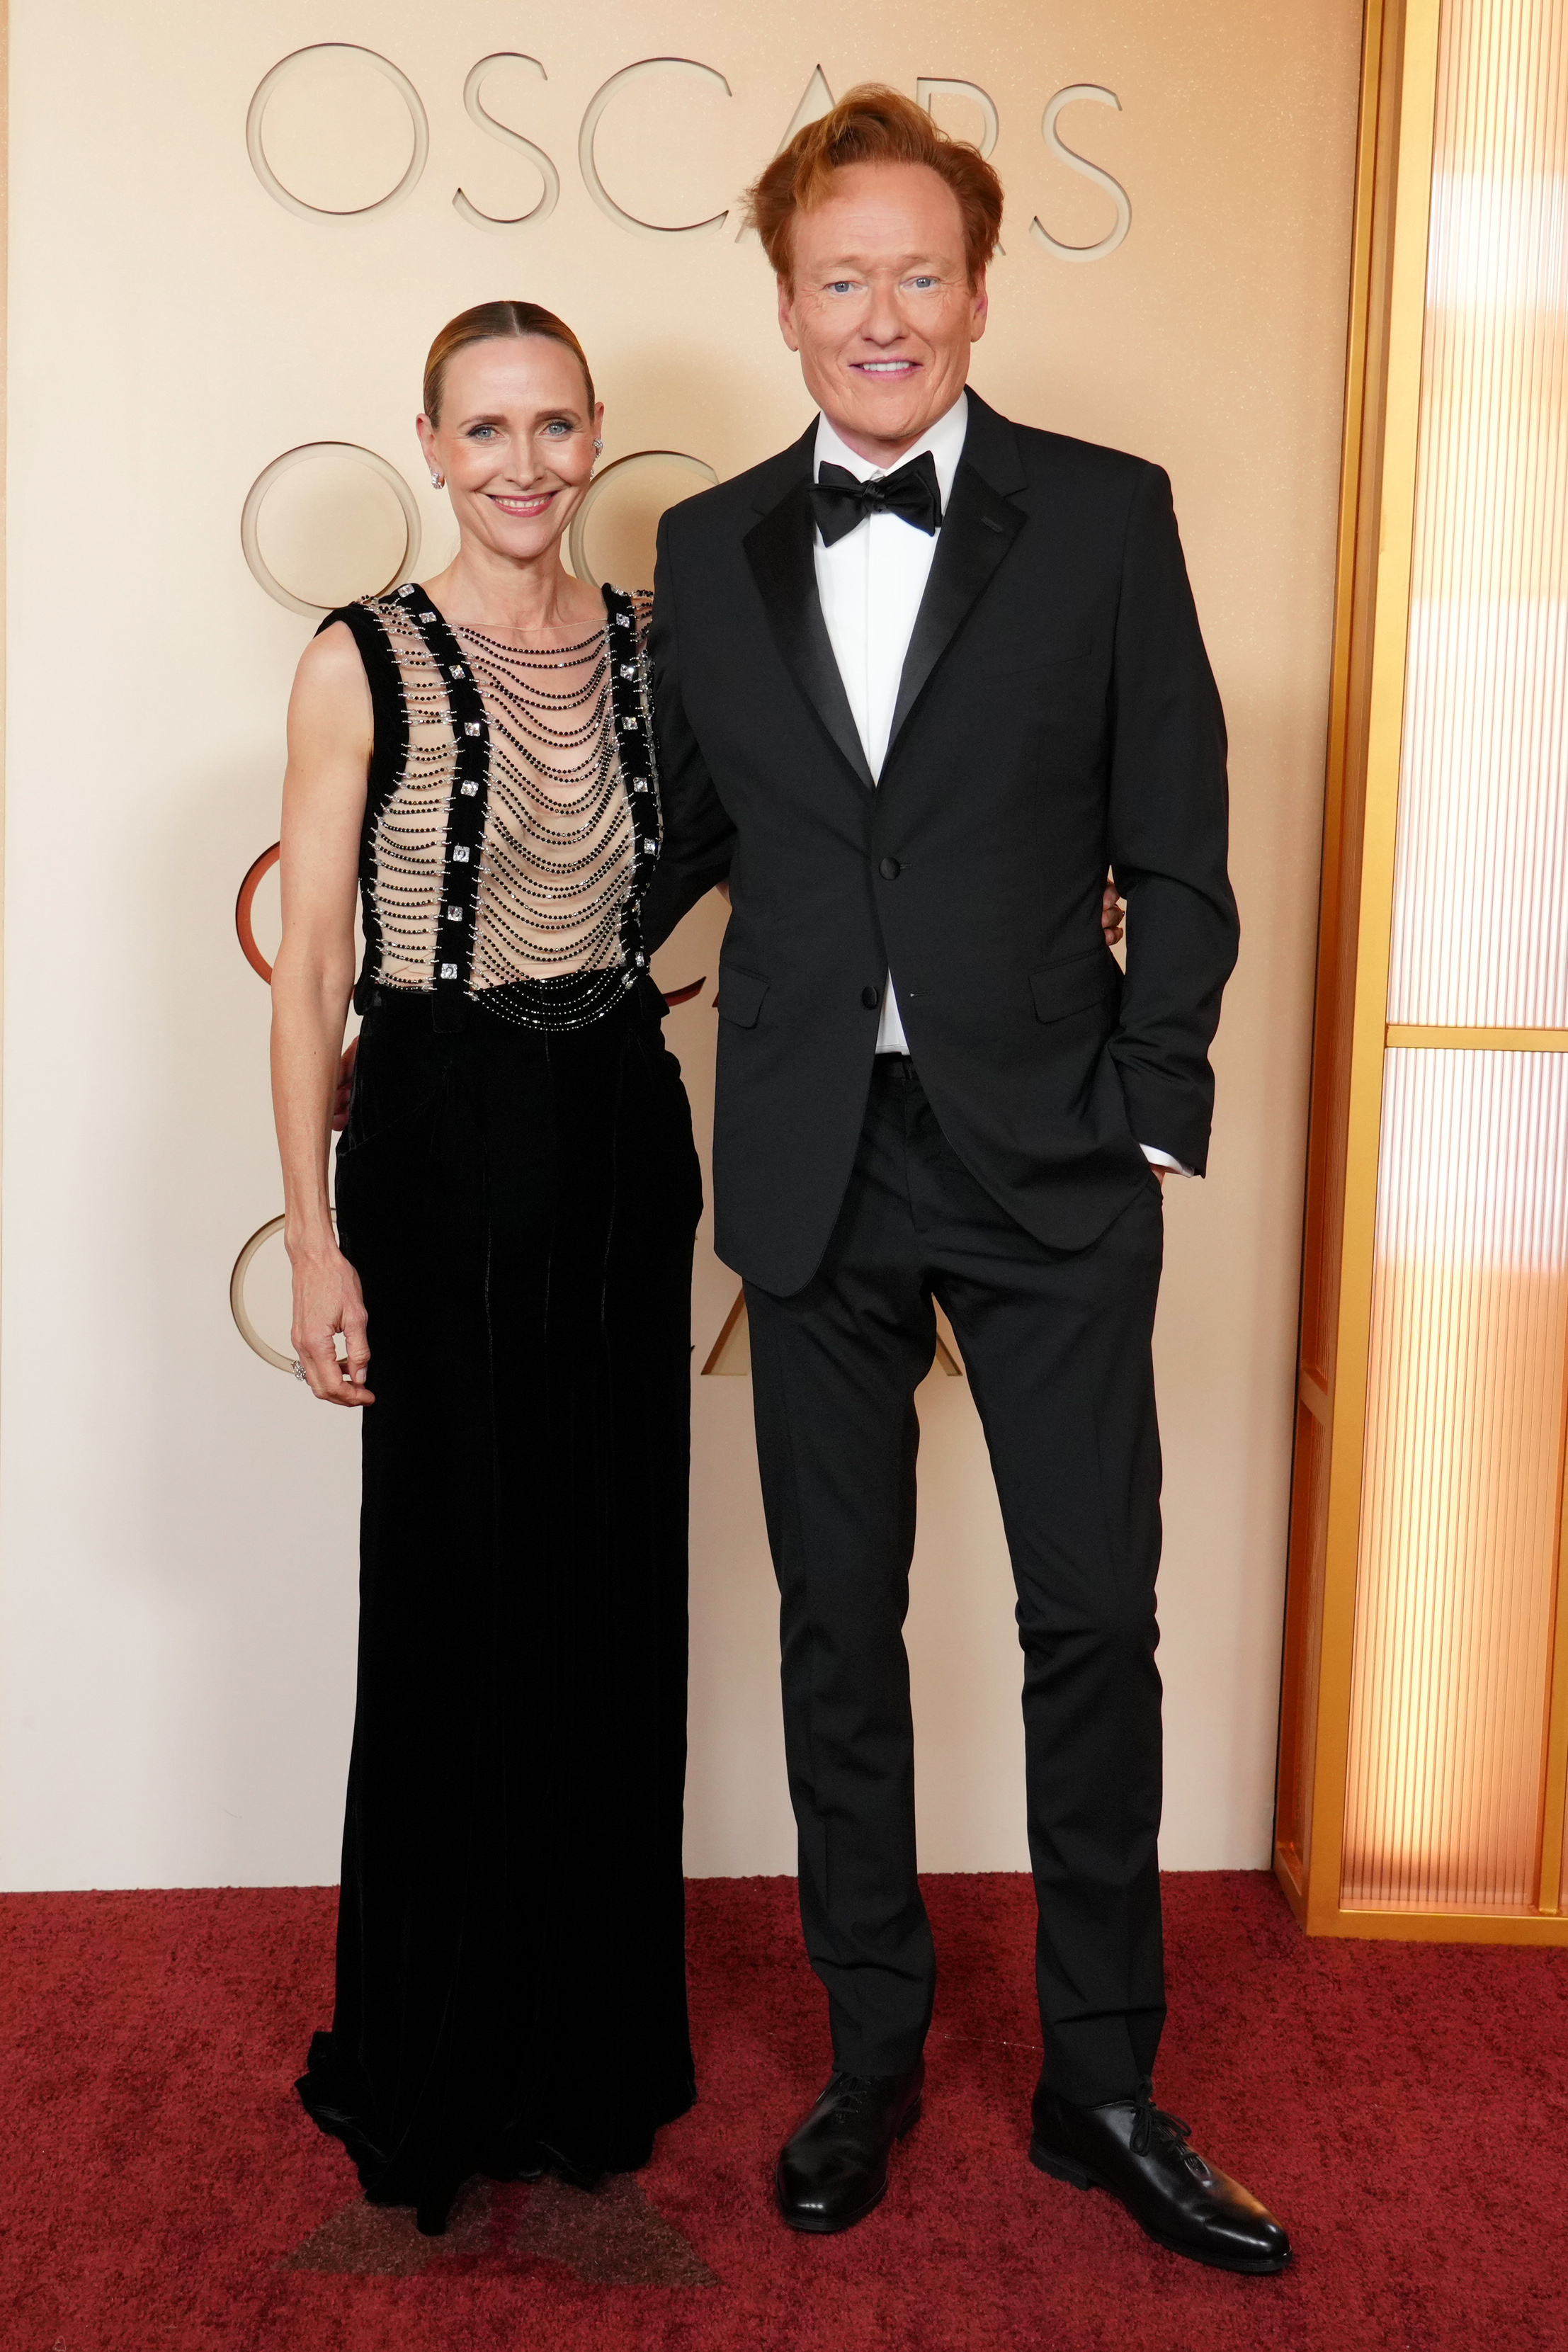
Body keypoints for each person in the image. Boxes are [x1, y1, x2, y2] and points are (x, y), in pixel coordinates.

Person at [640, 89, 1290, 2274]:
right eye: (843, 277)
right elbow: (699, 842)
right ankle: (871, 2052)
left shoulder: (1108, 516)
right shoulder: (707, 547)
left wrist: (1153, 1101)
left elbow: (1181, 850)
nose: (883, 312)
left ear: (982, 292)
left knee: (1090, 1617)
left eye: (922, 272)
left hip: (1046, 1157)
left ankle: (1104, 2077)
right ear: (790, 301)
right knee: (840, 1629)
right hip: (815, 1157)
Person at [269, 301, 702, 2236]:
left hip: (618, 1124)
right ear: (430, 445)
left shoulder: (654, 650)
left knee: (610, 1578)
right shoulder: (356, 658)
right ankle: (441, 2049)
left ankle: (585, 2044)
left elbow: (809, 832)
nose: (522, 463)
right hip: (439, 1131)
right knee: (456, 1584)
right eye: (485, 429)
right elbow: (309, 976)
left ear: (596, 434)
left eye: (552, 425)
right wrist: (317, 1232)